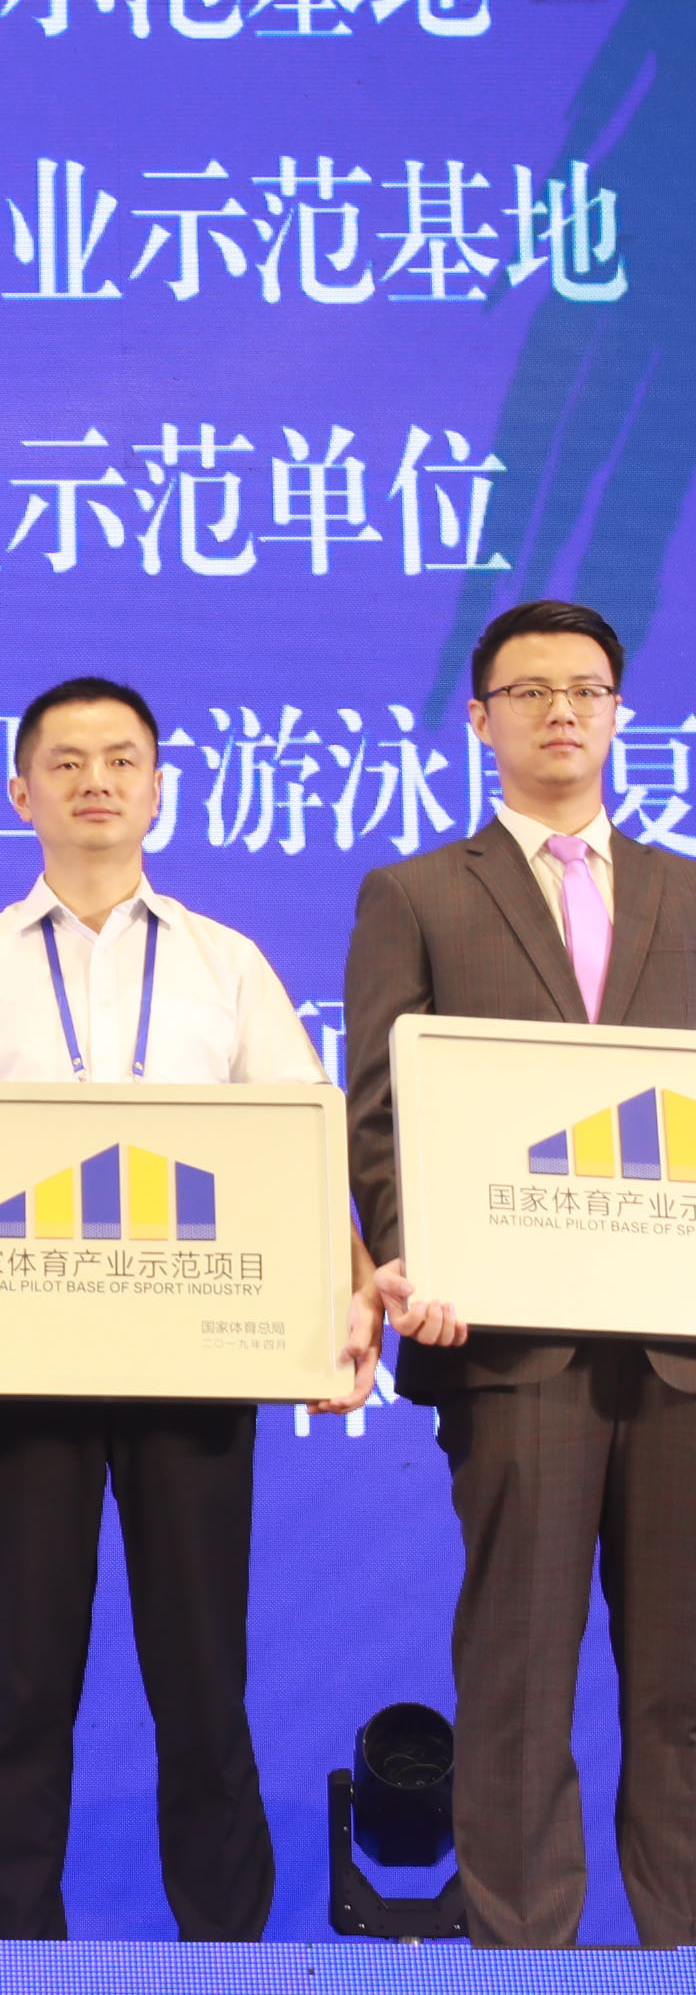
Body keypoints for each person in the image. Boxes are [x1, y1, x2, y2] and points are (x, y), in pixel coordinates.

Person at [0, 675, 380, 1943]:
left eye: (120, 759)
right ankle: (5, 1953)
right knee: (24, 1683)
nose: (94, 780)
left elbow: (297, 1154)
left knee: (201, 1680)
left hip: (193, 1364)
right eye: (66, 761)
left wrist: (350, 1299)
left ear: (156, 791)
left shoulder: (223, 963)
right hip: (19, 1364)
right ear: (18, 792)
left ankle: (228, 1952)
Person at [345, 598, 696, 1949]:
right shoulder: (418, 894)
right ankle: (521, 1959)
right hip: (508, 1343)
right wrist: (413, 1258)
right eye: (530, 690)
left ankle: (682, 1949)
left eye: (585, 689)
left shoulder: (685, 891)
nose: (561, 710)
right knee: (518, 1672)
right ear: (479, 718)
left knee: (681, 1682)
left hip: (678, 1346)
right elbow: (380, 1114)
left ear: (618, 712)